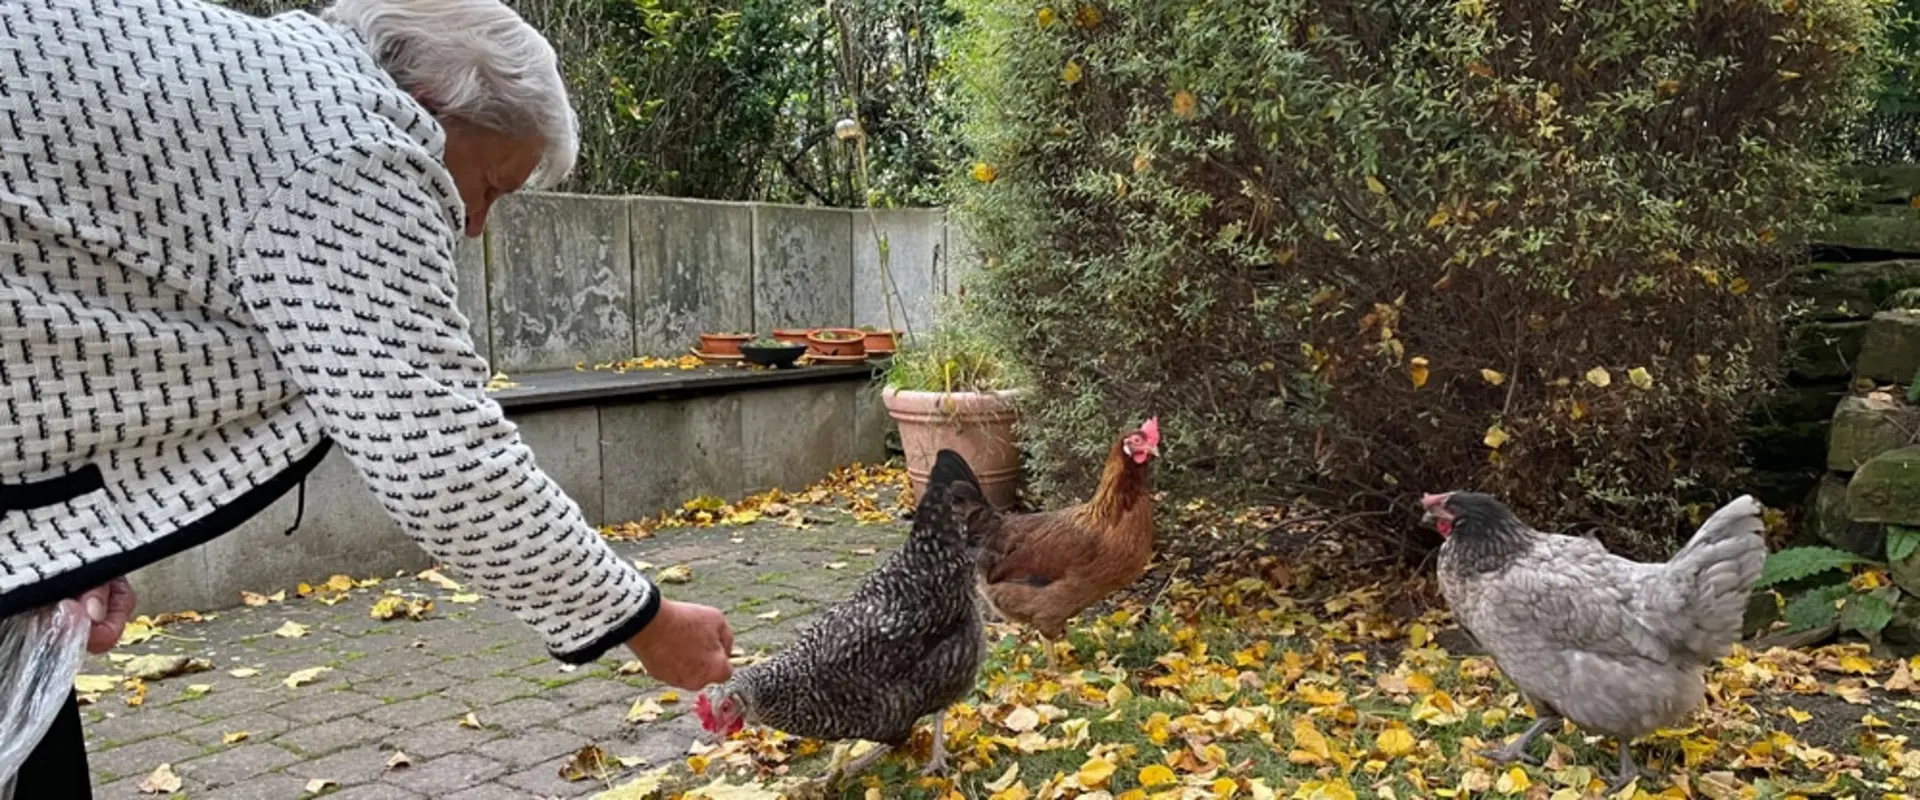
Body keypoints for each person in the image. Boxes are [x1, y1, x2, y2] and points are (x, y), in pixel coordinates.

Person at [0, 0, 735, 793]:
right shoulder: (352, 138)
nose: (474, 225)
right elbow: (438, 447)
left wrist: (63, 541)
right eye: (489, 185)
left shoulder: (245, 83)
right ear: (430, 103)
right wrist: (642, 620)